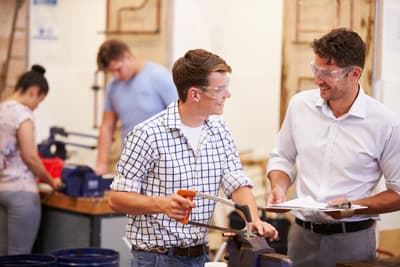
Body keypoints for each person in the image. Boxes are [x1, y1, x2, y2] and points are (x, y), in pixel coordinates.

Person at [108, 48, 279, 267]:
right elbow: (116, 199)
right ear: (195, 94)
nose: (228, 94)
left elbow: (237, 182)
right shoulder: (147, 134)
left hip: (200, 256)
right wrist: (161, 204)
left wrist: (253, 220)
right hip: (156, 259)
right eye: (220, 89)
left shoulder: (220, 130)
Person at [266, 28, 400, 267]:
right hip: (301, 236)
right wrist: (279, 185)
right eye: (315, 69)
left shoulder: (385, 123)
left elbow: (398, 192)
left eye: (327, 73)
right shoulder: (299, 105)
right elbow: (282, 157)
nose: (317, 79)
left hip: (353, 240)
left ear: (354, 74)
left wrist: (354, 208)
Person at [0, 65, 62, 255]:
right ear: (33, 92)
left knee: (2, 254)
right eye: (39, 101)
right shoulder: (23, 114)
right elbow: (30, 157)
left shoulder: (1, 109)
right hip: (21, 193)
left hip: (1, 190)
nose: (36, 106)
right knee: (20, 256)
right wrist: (52, 181)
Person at [94, 39, 178, 175]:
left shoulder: (159, 77)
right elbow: (107, 127)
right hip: (130, 161)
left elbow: (181, 117)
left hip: (161, 161)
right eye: (111, 72)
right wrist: (101, 165)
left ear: (127, 56)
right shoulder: (113, 86)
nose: (116, 76)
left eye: (118, 69)